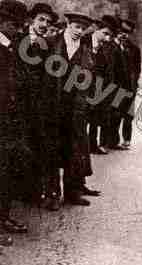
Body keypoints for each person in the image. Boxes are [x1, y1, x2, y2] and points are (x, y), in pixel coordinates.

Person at [42, 12, 100, 207]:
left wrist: (86, 105)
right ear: (68, 24)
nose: (79, 31)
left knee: (73, 150)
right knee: (52, 150)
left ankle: (72, 193)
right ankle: (52, 194)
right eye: (75, 26)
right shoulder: (50, 44)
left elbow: (90, 82)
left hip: (75, 110)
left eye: (82, 29)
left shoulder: (85, 52)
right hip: (52, 107)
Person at [21, 3, 59, 205]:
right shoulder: (18, 41)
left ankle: (41, 192)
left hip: (42, 106)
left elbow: (53, 78)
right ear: (31, 20)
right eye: (41, 20)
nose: (45, 24)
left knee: (42, 147)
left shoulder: (50, 46)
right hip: (20, 106)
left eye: (48, 21)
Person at [0, 0, 31, 236]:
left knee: (8, 167)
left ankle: (3, 215)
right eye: (14, 24)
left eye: (20, 25)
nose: (19, 29)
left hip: (10, 119)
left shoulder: (10, 46)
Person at [88, 15, 119, 156]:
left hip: (99, 87)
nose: (107, 38)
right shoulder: (84, 41)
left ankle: (93, 144)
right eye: (105, 33)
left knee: (96, 117)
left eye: (110, 35)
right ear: (96, 29)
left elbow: (106, 69)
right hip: (80, 84)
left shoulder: (106, 47)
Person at [115, 19, 141, 150]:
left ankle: (126, 139)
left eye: (128, 32)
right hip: (117, 87)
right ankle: (113, 140)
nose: (125, 35)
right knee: (115, 113)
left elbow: (137, 69)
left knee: (128, 115)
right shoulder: (114, 46)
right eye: (122, 31)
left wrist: (134, 83)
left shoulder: (135, 49)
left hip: (130, 87)